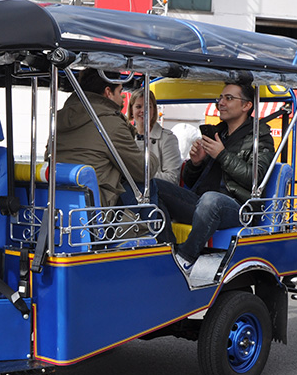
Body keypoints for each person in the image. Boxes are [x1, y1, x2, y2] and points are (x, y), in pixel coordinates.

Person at [155, 82, 275, 274]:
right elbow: (192, 182)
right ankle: (167, 249)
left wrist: (222, 155)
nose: (221, 103)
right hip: (202, 203)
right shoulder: (218, 133)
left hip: (238, 208)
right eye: (220, 98)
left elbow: (256, 178)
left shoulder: (260, 137)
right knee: (153, 186)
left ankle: (185, 258)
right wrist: (196, 163)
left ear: (246, 106)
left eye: (229, 98)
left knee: (212, 199)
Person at [55, 69, 159, 207]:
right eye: (120, 92)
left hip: (60, 203)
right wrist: (152, 157)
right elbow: (143, 170)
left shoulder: (58, 119)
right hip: (98, 208)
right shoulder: (110, 124)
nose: (122, 99)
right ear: (108, 92)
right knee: (148, 186)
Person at [127, 88, 182, 185]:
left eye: (148, 107)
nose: (143, 111)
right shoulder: (126, 137)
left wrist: (140, 175)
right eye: (138, 106)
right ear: (131, 110)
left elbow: (173, 178)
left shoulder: (167, 139)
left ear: (154, 110)